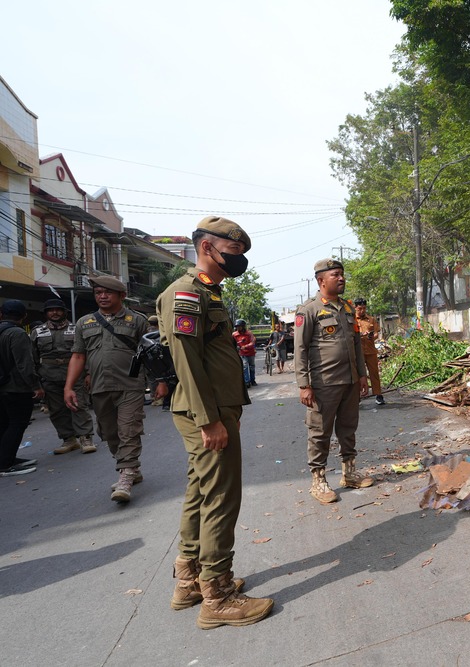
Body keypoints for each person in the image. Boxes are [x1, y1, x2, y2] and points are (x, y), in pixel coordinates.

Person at [157, 215, 272, 629]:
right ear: (207, 247)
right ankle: (218, 596)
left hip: (214, 409)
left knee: (200, 492)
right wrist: (210, 421)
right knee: (221, 498)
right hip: (205, 412)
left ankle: (189, 581)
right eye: (233, 252)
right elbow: (187, 362)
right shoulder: (187, 293)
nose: (238, 260)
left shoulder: (208, 292)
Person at [65, 276, 153, 503]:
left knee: (128, 430)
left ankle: (126, 476)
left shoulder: (137, 320)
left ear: (122, 295)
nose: (102, 296)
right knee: (109, 432)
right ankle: (130, 468)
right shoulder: (84, 323)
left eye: (108, 292)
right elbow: (78, 356)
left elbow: (151, 354)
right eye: (98, 293)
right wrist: (69, 387)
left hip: (131, 385)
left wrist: (159, 382)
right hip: (99, 386)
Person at [296, 258, 372, 506]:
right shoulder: (309, 310)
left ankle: (349, 473)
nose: (341, 278)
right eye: (335, 275)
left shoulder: (348, 308)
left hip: (350, 381)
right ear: (321, 280)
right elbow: (300, 349)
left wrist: (362, 375)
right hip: (324, 383)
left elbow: (356, 345)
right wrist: (304, 385)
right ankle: (318, 480)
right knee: (320, 432)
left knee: (348, 428)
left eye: (342, 274)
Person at [30, 299, 96, 455]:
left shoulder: (76, 329)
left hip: (75, 376)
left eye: (58, 310)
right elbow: (32, 357)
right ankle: (69, 439)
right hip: (49, 376)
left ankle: (86, 438)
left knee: (79, 406)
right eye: (50, 310)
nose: (54, 313)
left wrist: (89, 373)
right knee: (57, 410)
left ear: (65, 312)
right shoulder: (37, 332)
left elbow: (86, 353)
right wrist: (36, 381)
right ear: (45, 313)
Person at [0, 300, 43, 477]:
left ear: (1, 314)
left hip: (2, 387)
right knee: (17, 424)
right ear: (24, 316)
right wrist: (36, 386)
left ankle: (7, 457)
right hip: (16, 387)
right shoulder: (17, 334)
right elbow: (25, 364)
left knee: (4, 424)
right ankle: (5, 464)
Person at [354, 297, 385, 405]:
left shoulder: (371, 319)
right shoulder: (352, 320)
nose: (362, 311)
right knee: (358, 374)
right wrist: (360, 335)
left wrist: (372, 336)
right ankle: (357, 396)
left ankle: (378, 394)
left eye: (364, 308)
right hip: (358, 352)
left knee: (374, 373)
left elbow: (376, 333)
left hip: (371, 351)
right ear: (355, 308)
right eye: (360, 309)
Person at [233, 320, 257, 387]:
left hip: (251, 352)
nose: (238, 328)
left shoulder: (249, 333)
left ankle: (253, 380)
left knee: (252, 367)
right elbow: (233, 343)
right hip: (242, 353)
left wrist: (246, 346)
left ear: (243, 326)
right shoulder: (234, 335)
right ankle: (247, 382)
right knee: (245, 366)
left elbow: (252, 342)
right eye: (237, 327)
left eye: (239, 326)